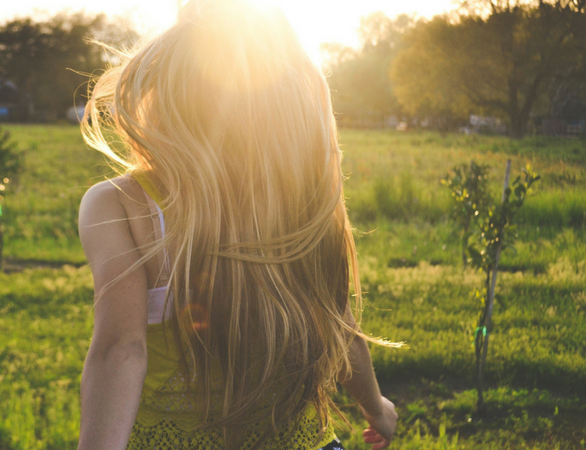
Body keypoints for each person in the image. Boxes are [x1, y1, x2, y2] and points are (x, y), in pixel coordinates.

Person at [76, 0, 399, 448]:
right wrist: (376, 409)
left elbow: (121, 350)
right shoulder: (297, 199)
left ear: (161, 92)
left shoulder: (119, 204)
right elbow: (337, 325)